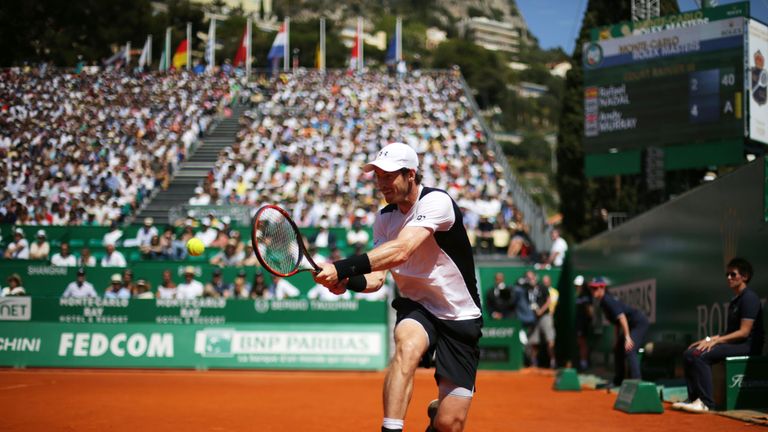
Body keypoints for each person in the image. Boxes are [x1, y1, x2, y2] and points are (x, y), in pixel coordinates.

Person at [313, 142, 483, 432]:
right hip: (419, 308)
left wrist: (341, 267)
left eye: (389, 175)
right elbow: (377, 279)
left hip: (459, 315)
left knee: (449, 424)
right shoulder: (384, 218)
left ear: (411, 175)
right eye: (378, 176)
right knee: (407, 343)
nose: (382, 183)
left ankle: (438, 415)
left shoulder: (437, 202)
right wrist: (347, 281)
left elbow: (402, 250)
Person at [674, 258, 764, 413]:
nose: (729, 277)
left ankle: (706, 403)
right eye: (727, 274)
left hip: (748, 345)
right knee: (689, 353)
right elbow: (729, 332)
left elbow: (744, 332)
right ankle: (694, 398)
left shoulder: (749, 298)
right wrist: (709, 339)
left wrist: (716, 342)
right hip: (736, 343)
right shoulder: (736, 300)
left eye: (733, 274)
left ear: (745, 276)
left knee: (699, 355)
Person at [589, 276, 649, 386]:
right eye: (592, 288)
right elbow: (617, 322)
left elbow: (622, 318)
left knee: (629, 348)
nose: (593, 290)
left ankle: (637, 382)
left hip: (639, 323)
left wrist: (627, 337)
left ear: (602, 288)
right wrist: (617, 340)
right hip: (630, 325)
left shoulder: (607, 300)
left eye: (596, 288)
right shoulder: (602, 302)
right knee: (618, 350)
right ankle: (618, 381)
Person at [526, 271, 556, 369]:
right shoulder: (527, 289)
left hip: (545, 316)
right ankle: (534, 363)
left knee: (550, 339)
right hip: (534, 318)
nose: (531, 280)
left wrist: (541, 311)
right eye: (528, 278)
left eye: (532, 277)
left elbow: (549, 300)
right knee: (533, 341)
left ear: (535, 277)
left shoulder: (542, 287)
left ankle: (553, 362)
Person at [573, 275, 593, 371]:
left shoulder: (585, 296)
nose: (577, 287)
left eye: (578, 286)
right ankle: (583, 362)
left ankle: (584, 363)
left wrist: (589, 320)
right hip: (579, 323)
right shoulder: (580, 295)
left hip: (584, 323)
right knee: (580, 342)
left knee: (583, 342)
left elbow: (589, 310)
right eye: (576, 286)